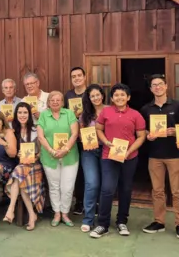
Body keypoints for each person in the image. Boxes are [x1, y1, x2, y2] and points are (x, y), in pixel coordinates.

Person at [90, 83, 146, 239]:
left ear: (128, 97)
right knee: (107, 189)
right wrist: (106, 142)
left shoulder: (136, 115)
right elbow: (98, 129)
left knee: (126, 189)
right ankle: (103, 224)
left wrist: (130, 150)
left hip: (130, 157)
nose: (119, 97)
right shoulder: (106, 112)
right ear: (112, 98)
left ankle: (122, 221)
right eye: (116, 95)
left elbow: (141, 136)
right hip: (109, 155)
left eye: (123, 95)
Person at [140, 74, 179, 239]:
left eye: (160, 84)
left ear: (166, 86)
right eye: (154, 85)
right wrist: (148, 135)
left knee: (177, 191)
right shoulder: (146, 109)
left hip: (175, 154)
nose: (157, 87)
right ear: (150, 89)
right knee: (157, 191)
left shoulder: (178, 106)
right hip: (154, 155)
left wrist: (175, 131)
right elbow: (143, 130)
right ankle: (159, 221)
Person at [37, 91, 79, 227]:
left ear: (62, 102)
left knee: (67, 187)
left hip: (69, 156)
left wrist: (65, 149)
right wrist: (51, 150)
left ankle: (65, 213)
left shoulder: (69, 114)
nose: (55, 102)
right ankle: (57, 212)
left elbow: (74, 134)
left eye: (58, 100)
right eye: (52, 100)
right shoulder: (43, 115)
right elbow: (41, 136)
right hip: (50, 156)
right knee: (54, 186)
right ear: (48, 102)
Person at [3, 102, 45, 230]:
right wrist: (18, 154)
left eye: (25, 112)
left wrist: (33, 157)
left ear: (29, 114)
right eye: (20, 112)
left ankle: (11, 209)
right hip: (20, 166)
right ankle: (32, 215)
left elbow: (41, 152)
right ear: (16, 114)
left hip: (35, 165)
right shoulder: (12, 131)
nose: (22, 115)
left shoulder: (36, 129)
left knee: (19, 173)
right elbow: (10, 151)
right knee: (20, 175)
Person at [79, 84, 106, 232]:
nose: (96, 98)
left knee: (105, 185)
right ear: (89, 98)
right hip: (89, 151)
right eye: (92, 96)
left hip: (107, 150)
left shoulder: (110, 110)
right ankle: (88, 219)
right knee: (92, 183)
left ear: (102, 95)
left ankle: (102, 219)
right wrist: (85, 139)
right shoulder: (85, 114)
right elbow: (80, 133)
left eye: (98, 94)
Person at [64, 67, 87, 216]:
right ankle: (78, 201)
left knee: (90, 171)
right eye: (73, 76)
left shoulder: (91, 92)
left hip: (88, 137)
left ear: (85, 77)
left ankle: (93, 202)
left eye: (79, 75)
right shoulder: (68, 95)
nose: (76, 78)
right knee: (77, 171)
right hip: (73, 138)